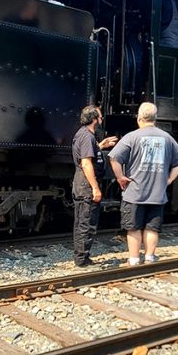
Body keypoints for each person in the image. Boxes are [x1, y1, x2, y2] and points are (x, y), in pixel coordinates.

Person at [108, 102, 178, 265]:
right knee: (152, 228)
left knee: (134, 228)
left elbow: (114, 157)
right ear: (155, 119)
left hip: (135, 192)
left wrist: (120, 177)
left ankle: (134, 259)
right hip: (157, 193)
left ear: (139, 118)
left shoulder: (132, 137)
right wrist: (170, 179)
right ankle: (150, 257)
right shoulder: (167, 138)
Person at [71, 105, 118, 267]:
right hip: (86, 186)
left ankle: (81, 256)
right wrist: (95, 188)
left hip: (80, 184)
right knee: (87, 223)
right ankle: (82, 259)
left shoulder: (84, 135)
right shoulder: (87, 137)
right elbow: (86, 163)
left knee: (81, 222)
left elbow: (86, 154)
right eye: (99, 116)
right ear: (93, 119)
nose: (102, 119)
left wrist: (100, 146)